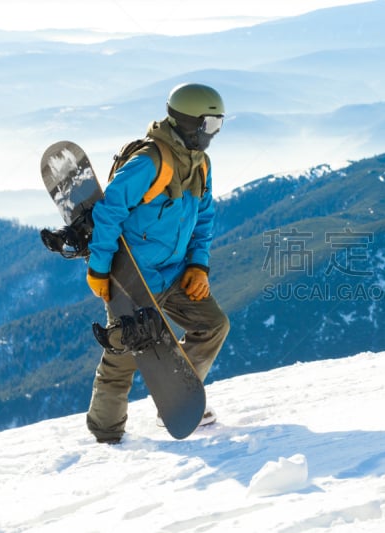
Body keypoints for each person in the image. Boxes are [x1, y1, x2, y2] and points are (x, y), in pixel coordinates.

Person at [85, 83, 230, 444]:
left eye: (218, 125)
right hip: (135, 280)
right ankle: (106, 434)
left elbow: (205, 217)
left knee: (213, 325)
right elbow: (108, 213)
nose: (213, 134)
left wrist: (199, 265)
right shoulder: (148, 163)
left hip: (176, 275)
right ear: (187, 121)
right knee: (123, 356)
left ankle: (176, 400)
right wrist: (99, 268)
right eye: (209, 125)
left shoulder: (200, 165)